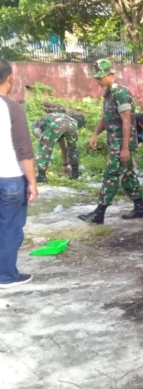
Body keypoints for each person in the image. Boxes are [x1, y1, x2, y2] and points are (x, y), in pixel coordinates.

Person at [78, 59, 143, 224]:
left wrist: (125, 149)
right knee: (127, 176)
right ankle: (140, 208)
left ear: (111, 75)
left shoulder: (121, 93)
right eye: (96, 77)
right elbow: (106, 117)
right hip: (115, 142)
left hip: (122, 143)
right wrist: (95, 133)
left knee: (112, 175)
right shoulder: (108, 94)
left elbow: (127, 121)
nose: (97, 80)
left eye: (100, 77)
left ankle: (99, 213)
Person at [0, 59, 38, 288]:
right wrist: (32, 182)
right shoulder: (11, 107)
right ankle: (5, 276)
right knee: (10, 227)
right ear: (10, 78)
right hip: (10, 178)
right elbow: (24, 150)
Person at [32, 112, 86, 183]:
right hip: (72, 123)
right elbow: (63, 147)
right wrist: (65, 165)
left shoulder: (35, 124)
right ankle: (75, 174)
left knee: (44, 148)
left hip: (56, 124)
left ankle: (41, 176)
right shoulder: (49, 119)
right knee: (73, 148)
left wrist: (46, 142)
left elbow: (41, 138)